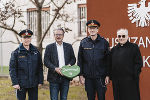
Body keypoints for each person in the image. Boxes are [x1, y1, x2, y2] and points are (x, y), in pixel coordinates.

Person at [77, 20, 110, 100]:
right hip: (88, 77)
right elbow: (80, 60)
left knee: (101, 97)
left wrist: (108, 75)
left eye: (94, 28)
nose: (92, 30)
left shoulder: (104, 42)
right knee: (90, 98)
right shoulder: (83, 42)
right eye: (90, 28)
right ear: (88, 29)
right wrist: (80, 75)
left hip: (100, 77)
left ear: (97, 30)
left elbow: (108, 60)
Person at [9, 29, 44, 100]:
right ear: (21, 39)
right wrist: (15, 83)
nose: (26, 40)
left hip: (33, 83)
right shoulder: (16, 53)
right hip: (21, 84)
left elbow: (40, 67)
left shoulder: (36, 52)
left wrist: (40, 80)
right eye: (24, 38)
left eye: (28, 38)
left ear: (31, 39)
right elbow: (12, 69)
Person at [110, 28, 143, 100]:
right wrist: (112, 77)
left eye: (123, 36)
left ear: (127, 36)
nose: (121, 38)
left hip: (130, 82)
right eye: (119, 36)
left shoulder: (134, 47)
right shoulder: (114, 49)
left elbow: (138, 63)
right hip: (117, 82)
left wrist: (134, 75)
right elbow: (110, 64)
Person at [44, 28, 76, 100]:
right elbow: (46, 61)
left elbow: (73, 59)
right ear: (54, 36)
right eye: (56, 34)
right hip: (53, 77)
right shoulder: (49, 47)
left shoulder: (68, 46)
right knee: (54, 98)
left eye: (60, 34)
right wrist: (55, 68)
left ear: (63, 36)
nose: (58, 36)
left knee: (64, 98)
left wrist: (69, 65)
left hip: (66, 76)